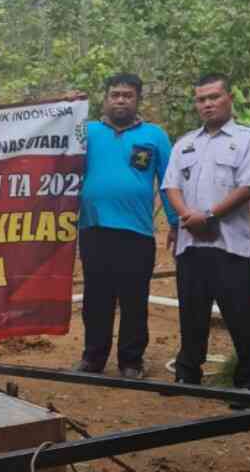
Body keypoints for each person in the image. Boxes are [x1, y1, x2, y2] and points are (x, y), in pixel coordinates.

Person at [163, 73, 250, 392]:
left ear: (229, 98)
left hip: (230, 247)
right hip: (190, 245)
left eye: (214, 97)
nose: (207, 104)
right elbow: (171, 185)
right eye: (201, 99)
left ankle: (248, 381)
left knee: (241, 316)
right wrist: (187, 216)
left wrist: (209, 216)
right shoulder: (185, 144)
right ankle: (187, 374)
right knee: (191, 314)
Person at [74, 72, 178, 378]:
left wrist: (174, 221)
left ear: (138, 100)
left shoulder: (155, 136)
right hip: (93, 229)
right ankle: (93, 358)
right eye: (115, 94)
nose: (121, 100)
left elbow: (169, 182)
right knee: (96, 298)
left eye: (127, 95)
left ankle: (131, 361)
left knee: (134, 299)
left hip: (137, 232)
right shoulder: (85, 132)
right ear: (105, 98)